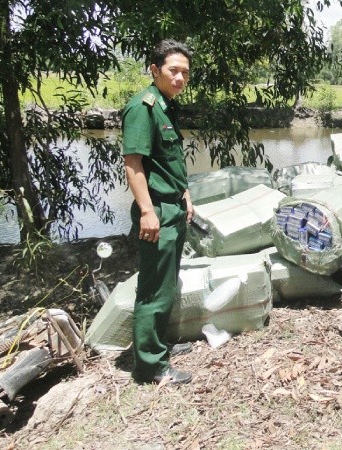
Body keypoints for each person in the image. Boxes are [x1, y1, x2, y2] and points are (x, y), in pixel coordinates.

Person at [123, 39, 195, 384]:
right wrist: (147, 212)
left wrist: (186, 195)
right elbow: (133, 164)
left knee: (166, 284)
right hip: (157, 212)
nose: (180, 78)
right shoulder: (143, 107)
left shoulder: (167, 106)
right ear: (155, 70)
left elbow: (168, 162)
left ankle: (157, 345)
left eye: (185, 72)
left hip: (173, 206)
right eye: (173, 70)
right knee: (153, 288)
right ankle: (150, 366)